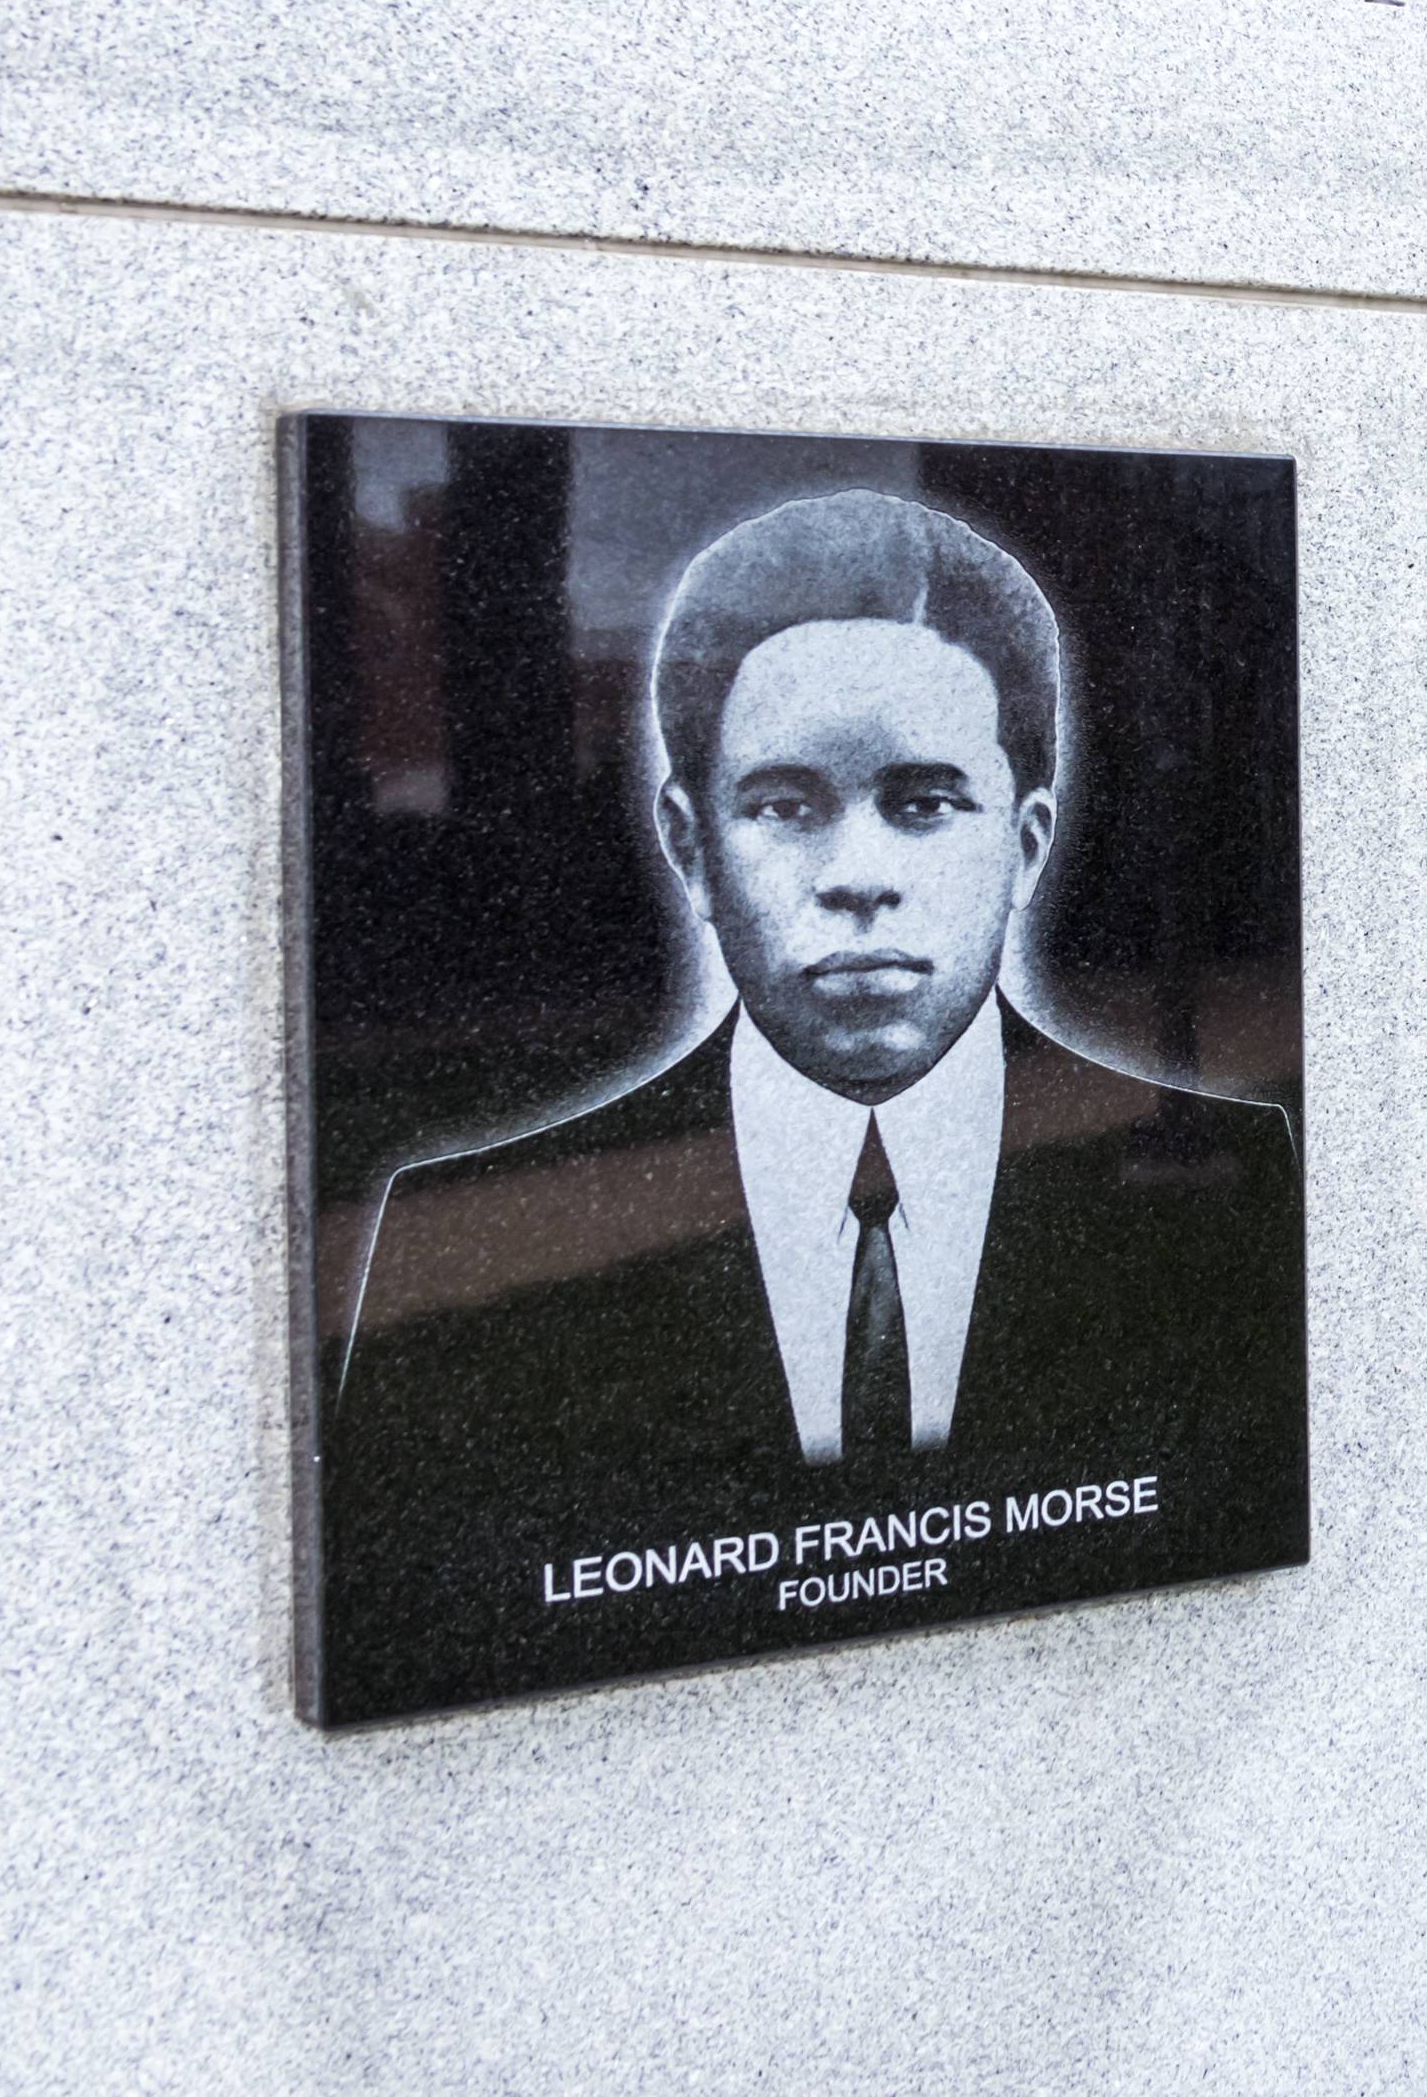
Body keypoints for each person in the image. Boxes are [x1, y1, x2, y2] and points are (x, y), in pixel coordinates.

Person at [319, 490, 1301, 1721]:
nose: (855, 879)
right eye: (783, 806)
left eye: (924, 802)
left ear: (1028, 838)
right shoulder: (445, 1239)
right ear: (689, 846)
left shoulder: (1245, 1183)